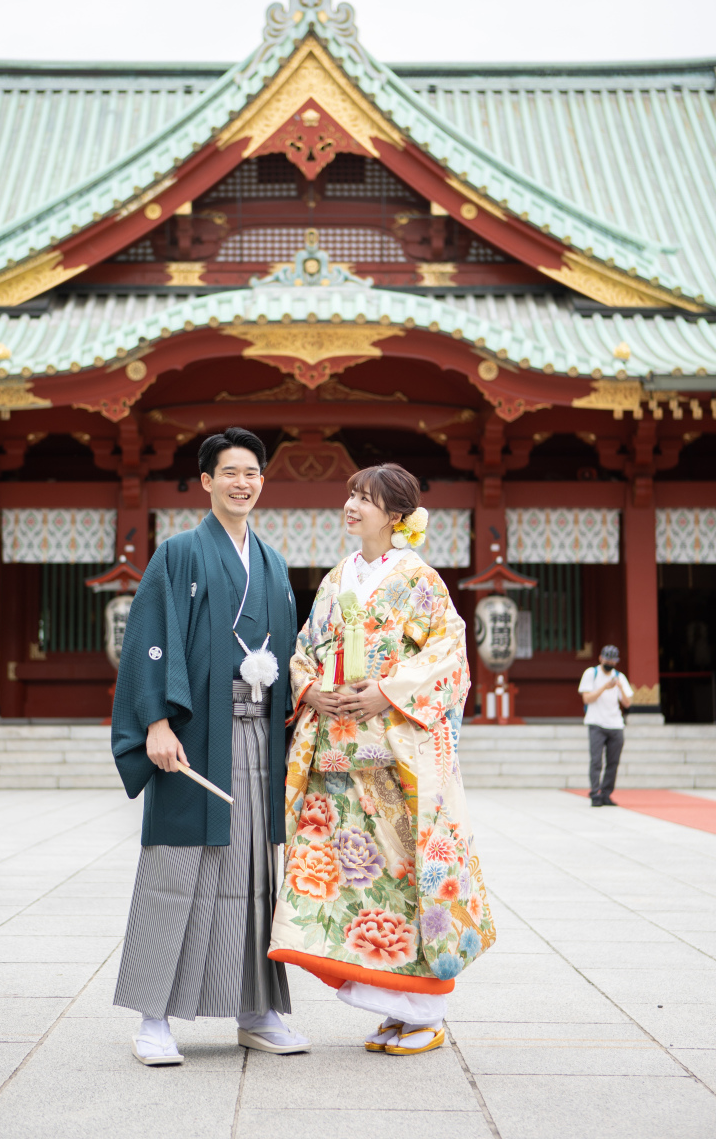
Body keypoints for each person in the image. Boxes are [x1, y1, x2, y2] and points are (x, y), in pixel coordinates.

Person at [268, 464, 496, 1056]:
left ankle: (425, 1011)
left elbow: (450, 655)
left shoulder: (420, 579)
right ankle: (394, 1005)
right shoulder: (337, 576)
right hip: (338, 748)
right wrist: (309, 689)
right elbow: (306, 646)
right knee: (352, 869)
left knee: (403, 869)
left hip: (396, 750)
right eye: (349, 494)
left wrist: (387, 692)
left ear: (395, 515)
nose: (352, 505)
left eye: (365, 499)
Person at [111, 427, 310, 1064]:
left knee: (254, 873)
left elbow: (292, 655)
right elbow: (148, 640)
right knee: (175, 869)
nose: (242, 482)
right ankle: (153, 1020)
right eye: (229, 472)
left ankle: (255, 1010)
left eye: (252, 472)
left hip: (258, 734)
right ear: (206, 482)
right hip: (195, 734)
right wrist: (155, 724)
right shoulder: (178, 554)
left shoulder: (274, 563)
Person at [578, 644, 633, 807]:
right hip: (596, 722)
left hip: (616, 724)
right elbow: (587, 699)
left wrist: (620, 687)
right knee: (596, 761)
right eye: (607, 659)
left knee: (613, 762)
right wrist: (604, 687)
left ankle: (606, 793)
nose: (610, 663)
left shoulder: (619, 677)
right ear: (601, 658)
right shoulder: (591, 673)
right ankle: (595, 793)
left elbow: (628, 703)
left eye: (613, 660)